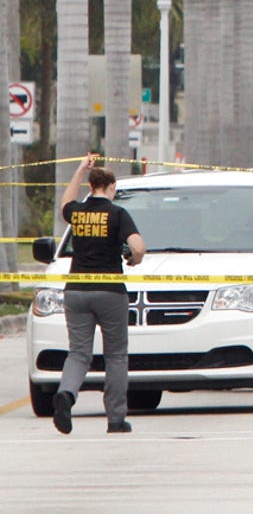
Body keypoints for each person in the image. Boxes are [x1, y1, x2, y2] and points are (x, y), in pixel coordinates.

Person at [53, 154, 146, 435]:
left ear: (91, 186)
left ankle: (66, 394)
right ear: (111, 187)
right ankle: (116, 419)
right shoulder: (118, 214)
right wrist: (133, 260)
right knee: (116, 355)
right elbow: (138, 247)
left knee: (78, 353)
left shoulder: (78, 213)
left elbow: (65, 204)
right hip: (110, 291)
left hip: (76, 291)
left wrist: (80, 170)